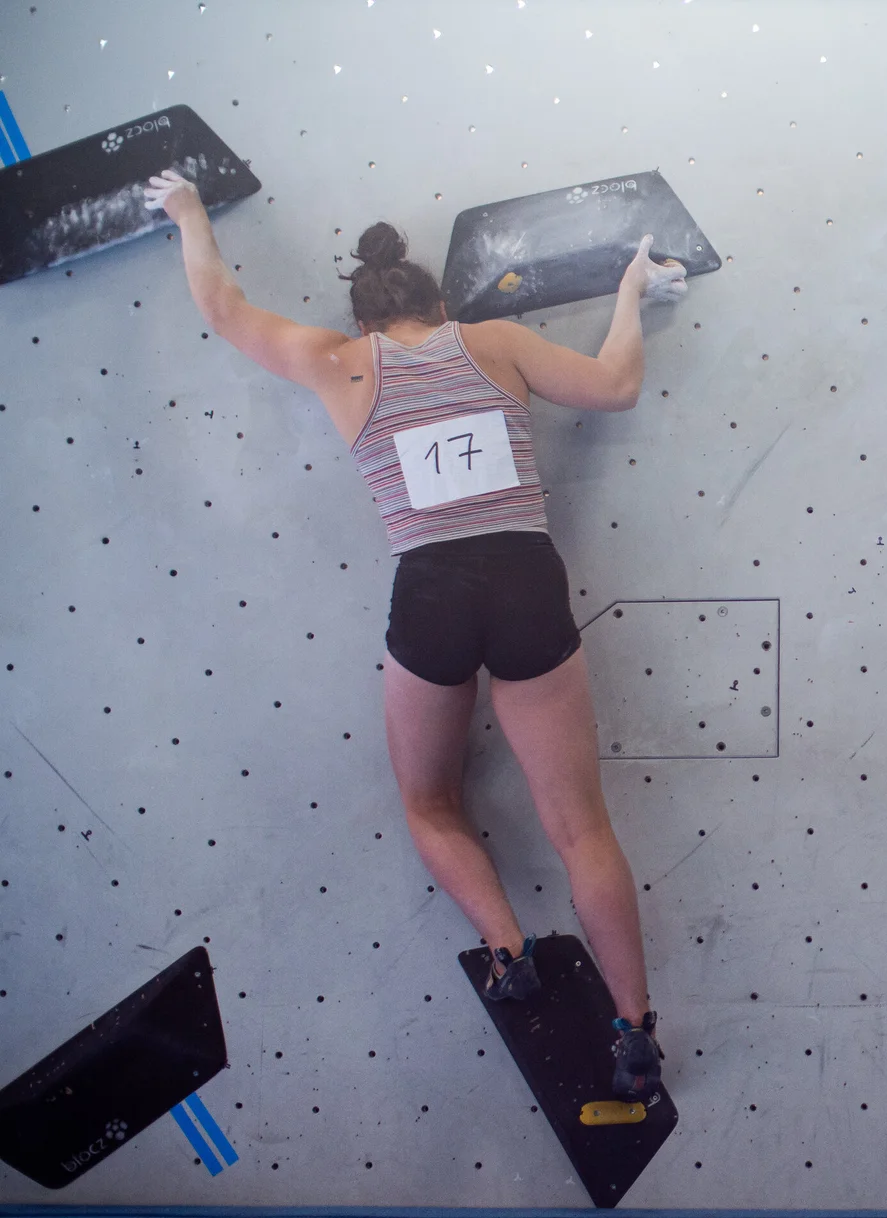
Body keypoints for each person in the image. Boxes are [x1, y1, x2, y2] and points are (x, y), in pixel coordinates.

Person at [145, 168, 687, 1104]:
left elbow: (224, 308)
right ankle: (634, 1031)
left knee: (430, 803)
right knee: (582, 828)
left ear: (363, 321)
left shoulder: (338, 363)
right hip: (526, 581)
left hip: (430, 592)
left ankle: (508, 950)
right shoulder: (496, 343)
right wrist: (631, 290)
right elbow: (617, 384)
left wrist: (188, 211)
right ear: (440, 304)